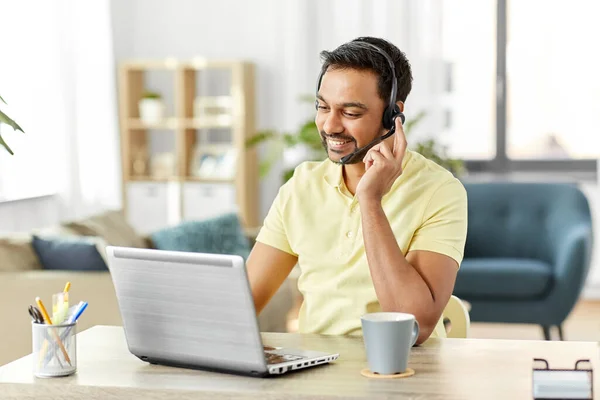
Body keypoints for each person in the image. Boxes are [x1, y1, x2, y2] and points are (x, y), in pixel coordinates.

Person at [247, 36, 468, 345]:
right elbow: (243, 303)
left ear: (394, 114)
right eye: (323, 107)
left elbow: (415, 325)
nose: (329, 126)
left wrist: (370, 199)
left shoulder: (439, 191)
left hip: (404, 370)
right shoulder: (302, 185)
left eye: (350, 113)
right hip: (317, 373)